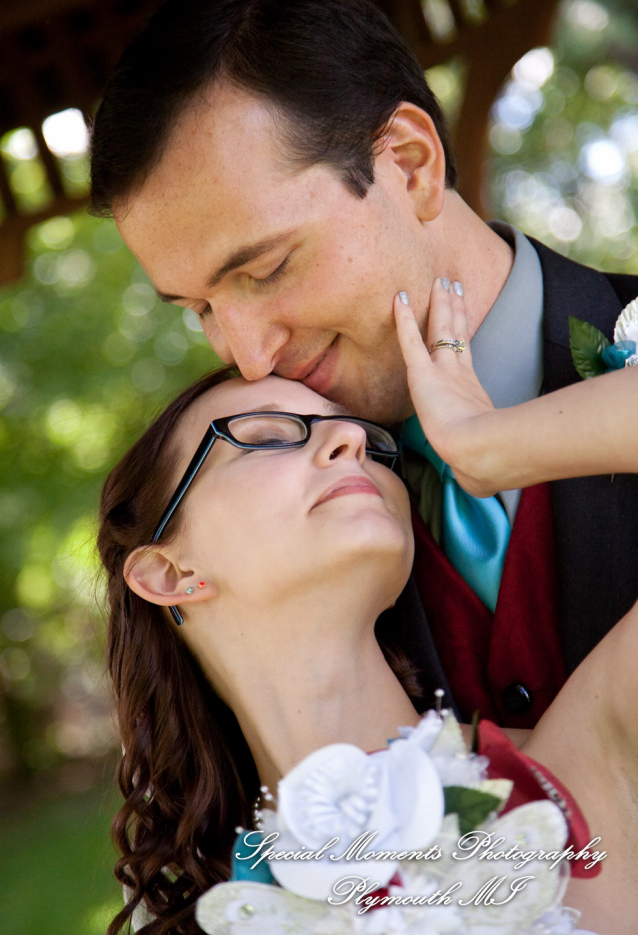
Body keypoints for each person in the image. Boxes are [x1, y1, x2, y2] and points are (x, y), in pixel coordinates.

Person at [89, 0, 638, 726]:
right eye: (200, 308)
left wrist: (497, 445)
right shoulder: (280, 523)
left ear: (410, 166)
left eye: (268, 267)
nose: (249, 355)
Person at [97, 363, 637, 935]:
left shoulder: (599, 760)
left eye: (372, 443)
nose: (353, 440)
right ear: (169, 573)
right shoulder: (208, 918)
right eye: (271, 436)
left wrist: (492, 440)